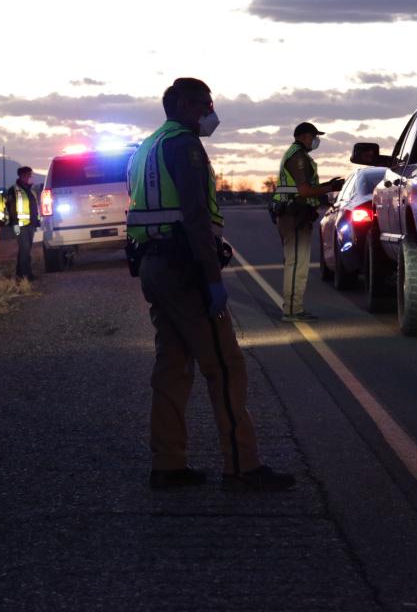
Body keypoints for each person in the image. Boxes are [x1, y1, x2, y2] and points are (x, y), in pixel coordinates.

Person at [126, 77, 295, 492]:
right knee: (224, 366)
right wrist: (212, 278)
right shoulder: (185, 146)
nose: (210, 112)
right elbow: (196, 216)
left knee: (171, 366)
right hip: (185, 270)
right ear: (183, 104)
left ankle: (168, 464)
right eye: (205, 104)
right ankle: (242, 467)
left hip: (153, 266)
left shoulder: (145, 148)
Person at [272, 122, 345, 322]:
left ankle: (293, 308)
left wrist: (326, 185)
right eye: (314, 137)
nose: (316, 140)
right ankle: (292, 311)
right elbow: (304, 191)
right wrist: (330, 187)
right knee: (297, 263)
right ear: (304, 137)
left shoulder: (298, 155)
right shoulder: (298, 157)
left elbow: (303, 188)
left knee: (296, 262)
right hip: (294, 215)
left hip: (294, 214)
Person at [6, 166, 39, 282]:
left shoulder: (31, 191)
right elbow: (11, 208)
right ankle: (26, 275)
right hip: (19, 225)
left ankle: (20, 274)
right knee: (25, 250)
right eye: (29, 175)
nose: (31, 177)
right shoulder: (13, 190)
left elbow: (34, 208)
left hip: (30, 225)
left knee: (25, 249)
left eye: (31, 175)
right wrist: (14, 224)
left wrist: (37, 222)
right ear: (22, 176)